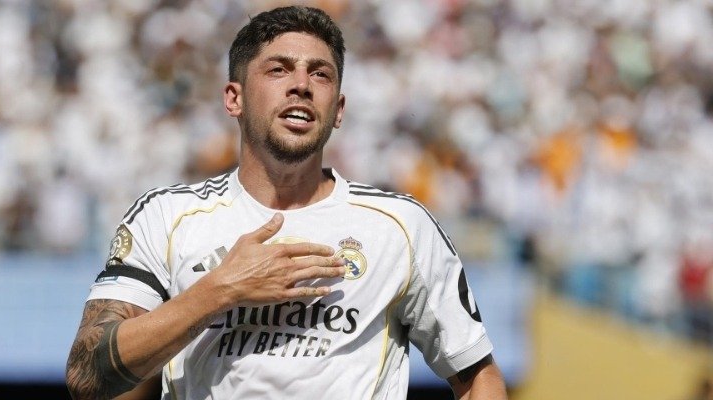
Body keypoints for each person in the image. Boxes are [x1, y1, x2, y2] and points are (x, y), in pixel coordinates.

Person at [65, 6, 507, 400]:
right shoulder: (167, 218)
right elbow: (87, 374)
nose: (301, 85)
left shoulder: (400, 227)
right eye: (279, 69)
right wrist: (221, 291)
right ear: (234, 98)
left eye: (320, 74)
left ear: (338, 109)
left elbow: (478, 378)